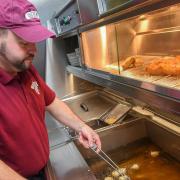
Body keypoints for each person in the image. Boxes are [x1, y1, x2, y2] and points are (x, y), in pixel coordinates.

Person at [0, 0, 101, 179]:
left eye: (35, 40)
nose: (34, 50)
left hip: (43, 169)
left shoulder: (25, 69)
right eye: (24, 42)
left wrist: (81, 126)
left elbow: (51, 101)